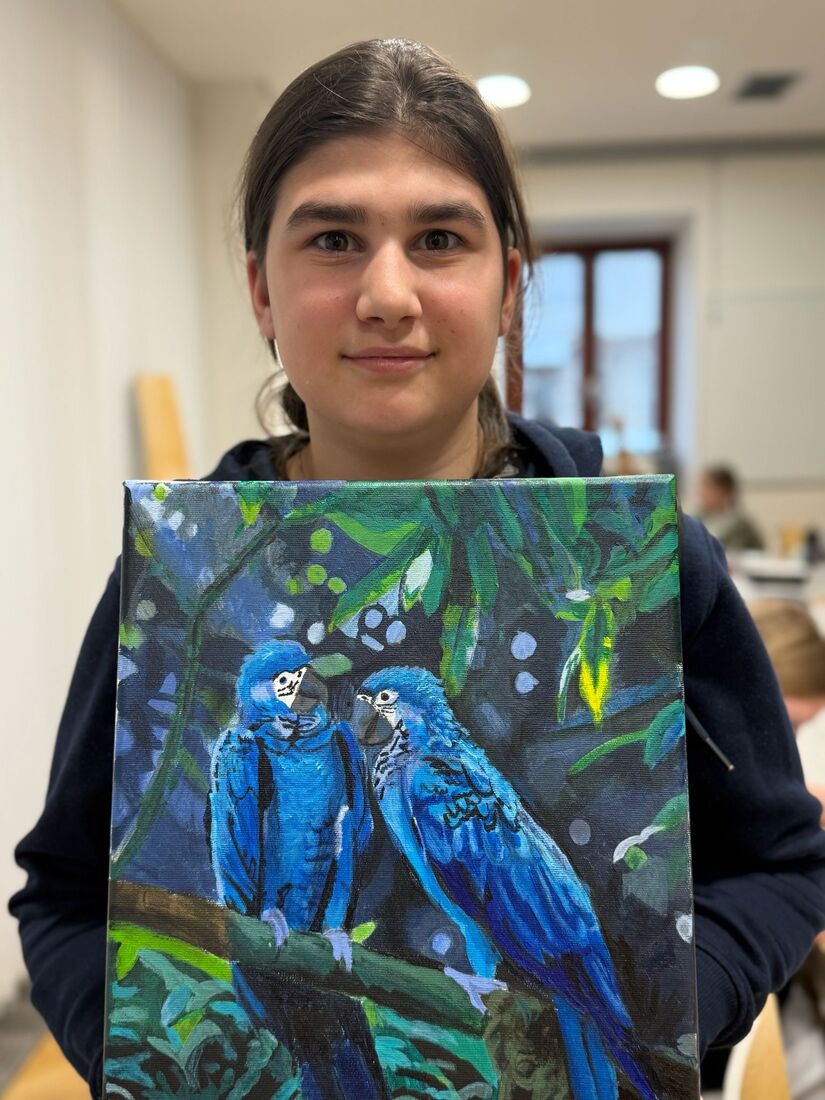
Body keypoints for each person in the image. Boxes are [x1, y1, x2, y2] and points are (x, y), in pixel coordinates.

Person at [9, 36, 825, 1099]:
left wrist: (667, 1016)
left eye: (439, 238)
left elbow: (779, 866)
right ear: (260, 290)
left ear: (508, 286)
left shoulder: (640, 563)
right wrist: (140, 1064)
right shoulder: (173, 576)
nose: (387, 293)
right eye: (334, 239)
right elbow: (66, 897)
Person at [695, 465, 765, 552]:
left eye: (708, 487)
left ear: (725, 491)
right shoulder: (698, 517)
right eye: (701, 487)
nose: (701, 493)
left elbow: (727, 553)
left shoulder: (739, 523)